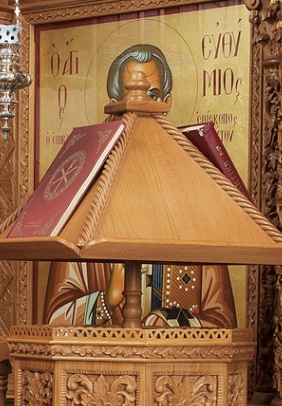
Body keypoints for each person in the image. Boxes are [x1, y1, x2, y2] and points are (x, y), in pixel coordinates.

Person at [41, 43, 238, 328]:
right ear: (114, 105)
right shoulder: (84, 206)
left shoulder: (196, 206)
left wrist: (168, 322)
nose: (140, 106)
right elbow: (53, 319)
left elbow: (222, 320)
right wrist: (105, 301)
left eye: (152, 96)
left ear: (166, 103)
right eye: (129, 98)